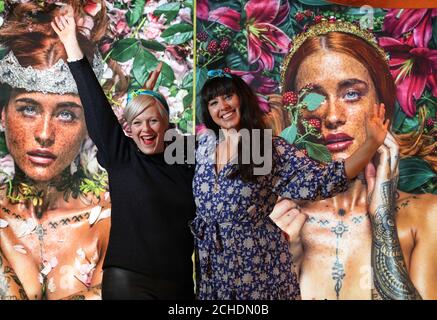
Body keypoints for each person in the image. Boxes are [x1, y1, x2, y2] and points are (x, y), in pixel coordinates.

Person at [192, 55, 388, 299]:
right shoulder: (202, 148)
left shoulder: (268, 148)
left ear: (242, 99)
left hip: (257, 267)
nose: (223, 106)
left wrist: (370, 144)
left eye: (228, 96)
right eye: (213, 102)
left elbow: (321, 181)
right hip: (214, 266)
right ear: (208, 111)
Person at [272, 20, 435, 299]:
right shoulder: (272, 221)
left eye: (351, 94)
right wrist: (285, 263)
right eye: (313, 99)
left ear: (382, 105)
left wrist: (384, 222)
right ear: (294, 116)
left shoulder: (424, 216)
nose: (333, 116)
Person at [52, 9, 196, 300]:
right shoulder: (122, 156)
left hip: (180, 284)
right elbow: (97, 107)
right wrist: (72, 46)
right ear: (128, 129)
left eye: (154, 121)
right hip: (129, 282)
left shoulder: (186, 158)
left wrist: (148, 103)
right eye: (137, 123)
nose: (146, 130)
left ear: (168, 124)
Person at [0, 2, 110, 300]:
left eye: (66, 114)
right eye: (28, 109)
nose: (45, 134)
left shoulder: (110, 220)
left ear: (89, 124)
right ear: (2, 115)